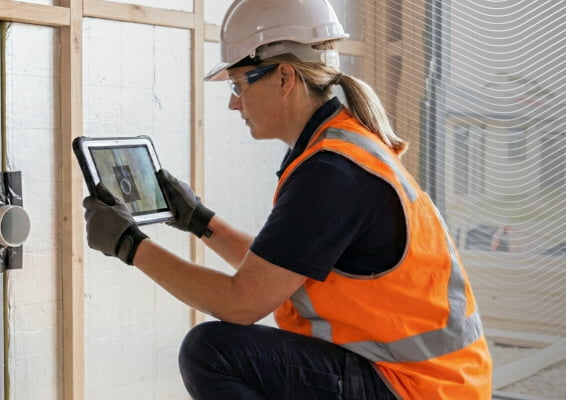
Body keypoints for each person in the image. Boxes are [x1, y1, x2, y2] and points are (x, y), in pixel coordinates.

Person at [81, 0, 493, 399]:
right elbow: (274, 272)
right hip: (433, 383)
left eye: (240, 83)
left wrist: (131, 246)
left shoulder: (332, 173)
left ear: (283, 78)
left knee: (210, 351)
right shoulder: (337, 149)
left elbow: (242, 303)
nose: (233, 102)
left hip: (410, 388)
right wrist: (200, 221)